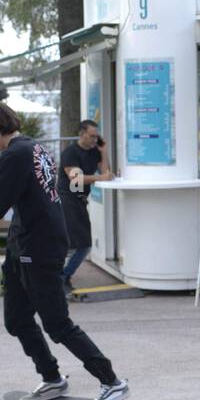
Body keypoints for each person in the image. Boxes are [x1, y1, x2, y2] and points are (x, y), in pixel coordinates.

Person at [0, 101, 129, 400]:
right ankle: (52, 378)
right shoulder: (34, 148)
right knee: (17, 319)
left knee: (57, 324)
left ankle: (111, 381)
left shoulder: (15, 155)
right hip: (23, 245)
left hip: (40, 248)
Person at [58, 119, 114, 295]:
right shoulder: (70, 153)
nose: (94, 140)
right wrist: (100, 178)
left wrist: (103, 152)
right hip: (67, 200)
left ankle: (61, 277)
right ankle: (62, 277)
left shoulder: (93, 152)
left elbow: (106, 172)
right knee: (82, 245)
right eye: (91, 136)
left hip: (81, 201)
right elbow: (76, 179)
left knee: (78, 244)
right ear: (81, 134)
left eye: (96, 136)